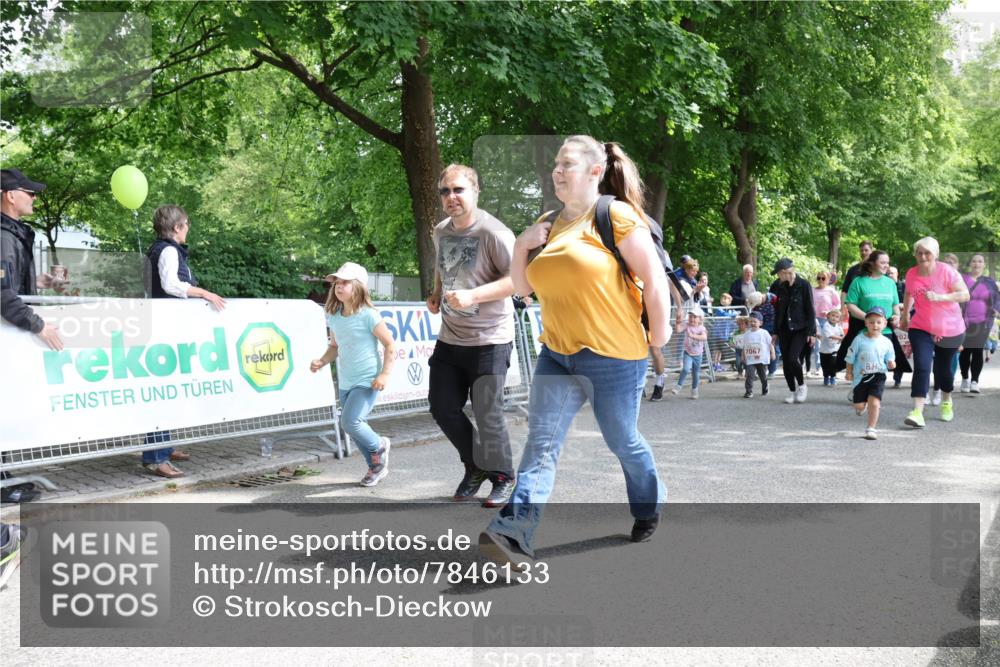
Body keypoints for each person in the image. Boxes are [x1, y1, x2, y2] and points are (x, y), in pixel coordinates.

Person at [480, 135, 669, 565]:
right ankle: (513, 537)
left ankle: (648, 504)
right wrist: (523, 244)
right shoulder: (549, 221)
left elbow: (654, 280)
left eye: (567, 164)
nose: (557, 172)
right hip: (557, 355)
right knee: (541, 444)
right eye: (556, 166)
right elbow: (525, 287)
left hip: (615, 357)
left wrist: (658, 337)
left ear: (595, 171)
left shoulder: (615, 215)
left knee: (623, 441)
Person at [426, 164, 517, 507]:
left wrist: (474, 296)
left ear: (476, 191)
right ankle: (475, 465)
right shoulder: (440, 231)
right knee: (442, 407)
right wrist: (435, 293)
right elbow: (441, 266)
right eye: (445, 192)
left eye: (459, 190)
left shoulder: (494, 233)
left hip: (490, 339)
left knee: (487, 413)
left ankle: (504, 476)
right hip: (451, 337)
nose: (451, 197)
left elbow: (520, 282)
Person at [142, 205, 226, 478]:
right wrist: (204, 292)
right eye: (186, 224)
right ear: (177, 227)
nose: (188, 228)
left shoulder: (162, 249)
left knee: (167, 392)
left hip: (165, 328)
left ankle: (164, 448)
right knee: (161, 394)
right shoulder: (167, 250)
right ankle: (156, 457)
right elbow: (171, 285)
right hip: (164, 330)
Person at [1, 168, 62, 504]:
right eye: (30, 192)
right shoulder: (3, 235)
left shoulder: (13, 233)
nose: (35, 198)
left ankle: (7, 479)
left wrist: (43, 283)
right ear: (11, 195)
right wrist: (38, 324)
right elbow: (1, 293)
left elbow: (13, 281)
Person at [311, 262, 397, 486]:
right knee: (354, 425)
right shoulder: (334, 316)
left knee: (350, 422)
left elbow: (390, 345)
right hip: (346, 381)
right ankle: (375, 467)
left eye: (345, 283)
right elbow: (335, 347)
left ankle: (379, 445)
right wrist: (322, 360)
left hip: (367, 379)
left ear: (358, 286)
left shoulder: (369, 315)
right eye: (337, 283)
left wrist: (384, 375)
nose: (339, 287)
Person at [900, 237, 969, 428]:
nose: (923, 256)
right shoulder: (912, 273)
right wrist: (905, 315)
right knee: (922, 365)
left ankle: (946, 399)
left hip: (950, 328)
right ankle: (917, 412)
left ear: (936, 254)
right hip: (921, 326)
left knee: (943, 370)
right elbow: (908, 293)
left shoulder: (947, 271)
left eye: (927, 253)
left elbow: (965, 294)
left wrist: (941, 297)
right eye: (919, 252)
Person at [845, 307, 896, 441]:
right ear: (866, 323)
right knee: (859, 405)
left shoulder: (887, 342)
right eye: (872, 322)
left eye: (879, 322)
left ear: (884, 324)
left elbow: (890, 358)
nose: (875, 325)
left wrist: (892, 364)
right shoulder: (859, 340)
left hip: (878, 376)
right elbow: (850, 358)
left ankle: (871, 428)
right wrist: (849, 372)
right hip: (860, 376)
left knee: (875, 403)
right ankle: (861, 404)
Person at [769, 258, 816, 404]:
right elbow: (777, 310)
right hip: (784, 329)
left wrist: (812, 332)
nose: (778, 277)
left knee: (792, 358)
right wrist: (775, 332)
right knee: (786, 363)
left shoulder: (804, 285)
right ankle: (791, 390)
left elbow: (810, 309)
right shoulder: (778, 286)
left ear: (785, 272)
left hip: (800, 328)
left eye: (779, 274)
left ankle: (802, 386)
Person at [959, 253, 999, 393]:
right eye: (974, 261)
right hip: (964, 321)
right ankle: (965, 379)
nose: (977, 264)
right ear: (970, 264)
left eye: (980, 261)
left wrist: (996, 309)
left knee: (977, 350)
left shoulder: (989, 282)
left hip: (984, 322)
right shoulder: (963, 279)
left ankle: (975, 381)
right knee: (965, 351)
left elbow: (997, 299)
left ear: (984, 265)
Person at [670, 307, 707, 399]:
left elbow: (704, 337)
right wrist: (677, 323)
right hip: (688, 353)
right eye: (690, 316)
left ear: (700, 319)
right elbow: (678, 330)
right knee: (686, 369)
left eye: (694, 317)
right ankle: (678, 386)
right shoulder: (687, 325)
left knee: (696, 373)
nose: (692, 319)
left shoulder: (701, 328)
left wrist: (693, 336)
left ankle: (694, 390)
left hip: (698, 355)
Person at [737, 311, 773, 398]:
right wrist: (743, 356)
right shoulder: (746, 334)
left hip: (761, 358)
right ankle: (748, 391)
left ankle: (765, 386)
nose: (752, 323)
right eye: (751, 321)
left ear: (760, 323)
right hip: (750, 359)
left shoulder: (764, 333)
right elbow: (744, 346)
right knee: (749, 375)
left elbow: (770, 344)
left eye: (755, 321)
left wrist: (773, 353)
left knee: (762, 376)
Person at [811, 271, 840, 377]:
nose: (820, 280)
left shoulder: (831, 291)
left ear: (828, 280)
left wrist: (830, 312)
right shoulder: (812, 290)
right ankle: (819, 367)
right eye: (818, 278)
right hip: (815, 319)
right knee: (818, 345)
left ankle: (832, 369)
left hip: (828, 321)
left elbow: (838, 305)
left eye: (823, 278)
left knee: (830, 344)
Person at [746, 290, 779, 376]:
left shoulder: (773, 299)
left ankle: (772, 371)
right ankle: (760, 370)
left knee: (774, 349)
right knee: (760, 349)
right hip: (762, 329)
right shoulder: (756, 305)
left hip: (773, 328)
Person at [840, 240, 874, 307]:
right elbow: (845, 291)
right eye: (861, 250)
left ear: (871, 251)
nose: (863, 252)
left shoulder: (877, 269)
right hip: (855, 308)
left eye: (866, 250)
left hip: (873, 308)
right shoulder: (852, 270)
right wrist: (842, 308)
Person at [711, 293, 737, 371]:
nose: (725, 300)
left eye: (727, 299)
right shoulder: (718, 308)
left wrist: (733, 314)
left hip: (725, 334)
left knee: (721, 351)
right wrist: (732, 314)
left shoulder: (730, 309)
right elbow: (724, 314)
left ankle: (717, 364)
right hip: (718, 334)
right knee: (716, 350)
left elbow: (736, 314)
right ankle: (714, 364)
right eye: (723, 298)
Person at [818, 309, 844, 386]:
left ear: (839, 319)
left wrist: (842, 337)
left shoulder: (838, 327)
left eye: (837, 317)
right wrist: (840, 338)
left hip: (834, 349)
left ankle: (833, 377)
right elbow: (830, 335)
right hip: (824, 350)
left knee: (833, 364)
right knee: (824, 365)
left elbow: (842, 334)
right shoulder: (826, 325)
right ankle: (826, 377)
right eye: (833, 315)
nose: (834, 318)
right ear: (828, 316)